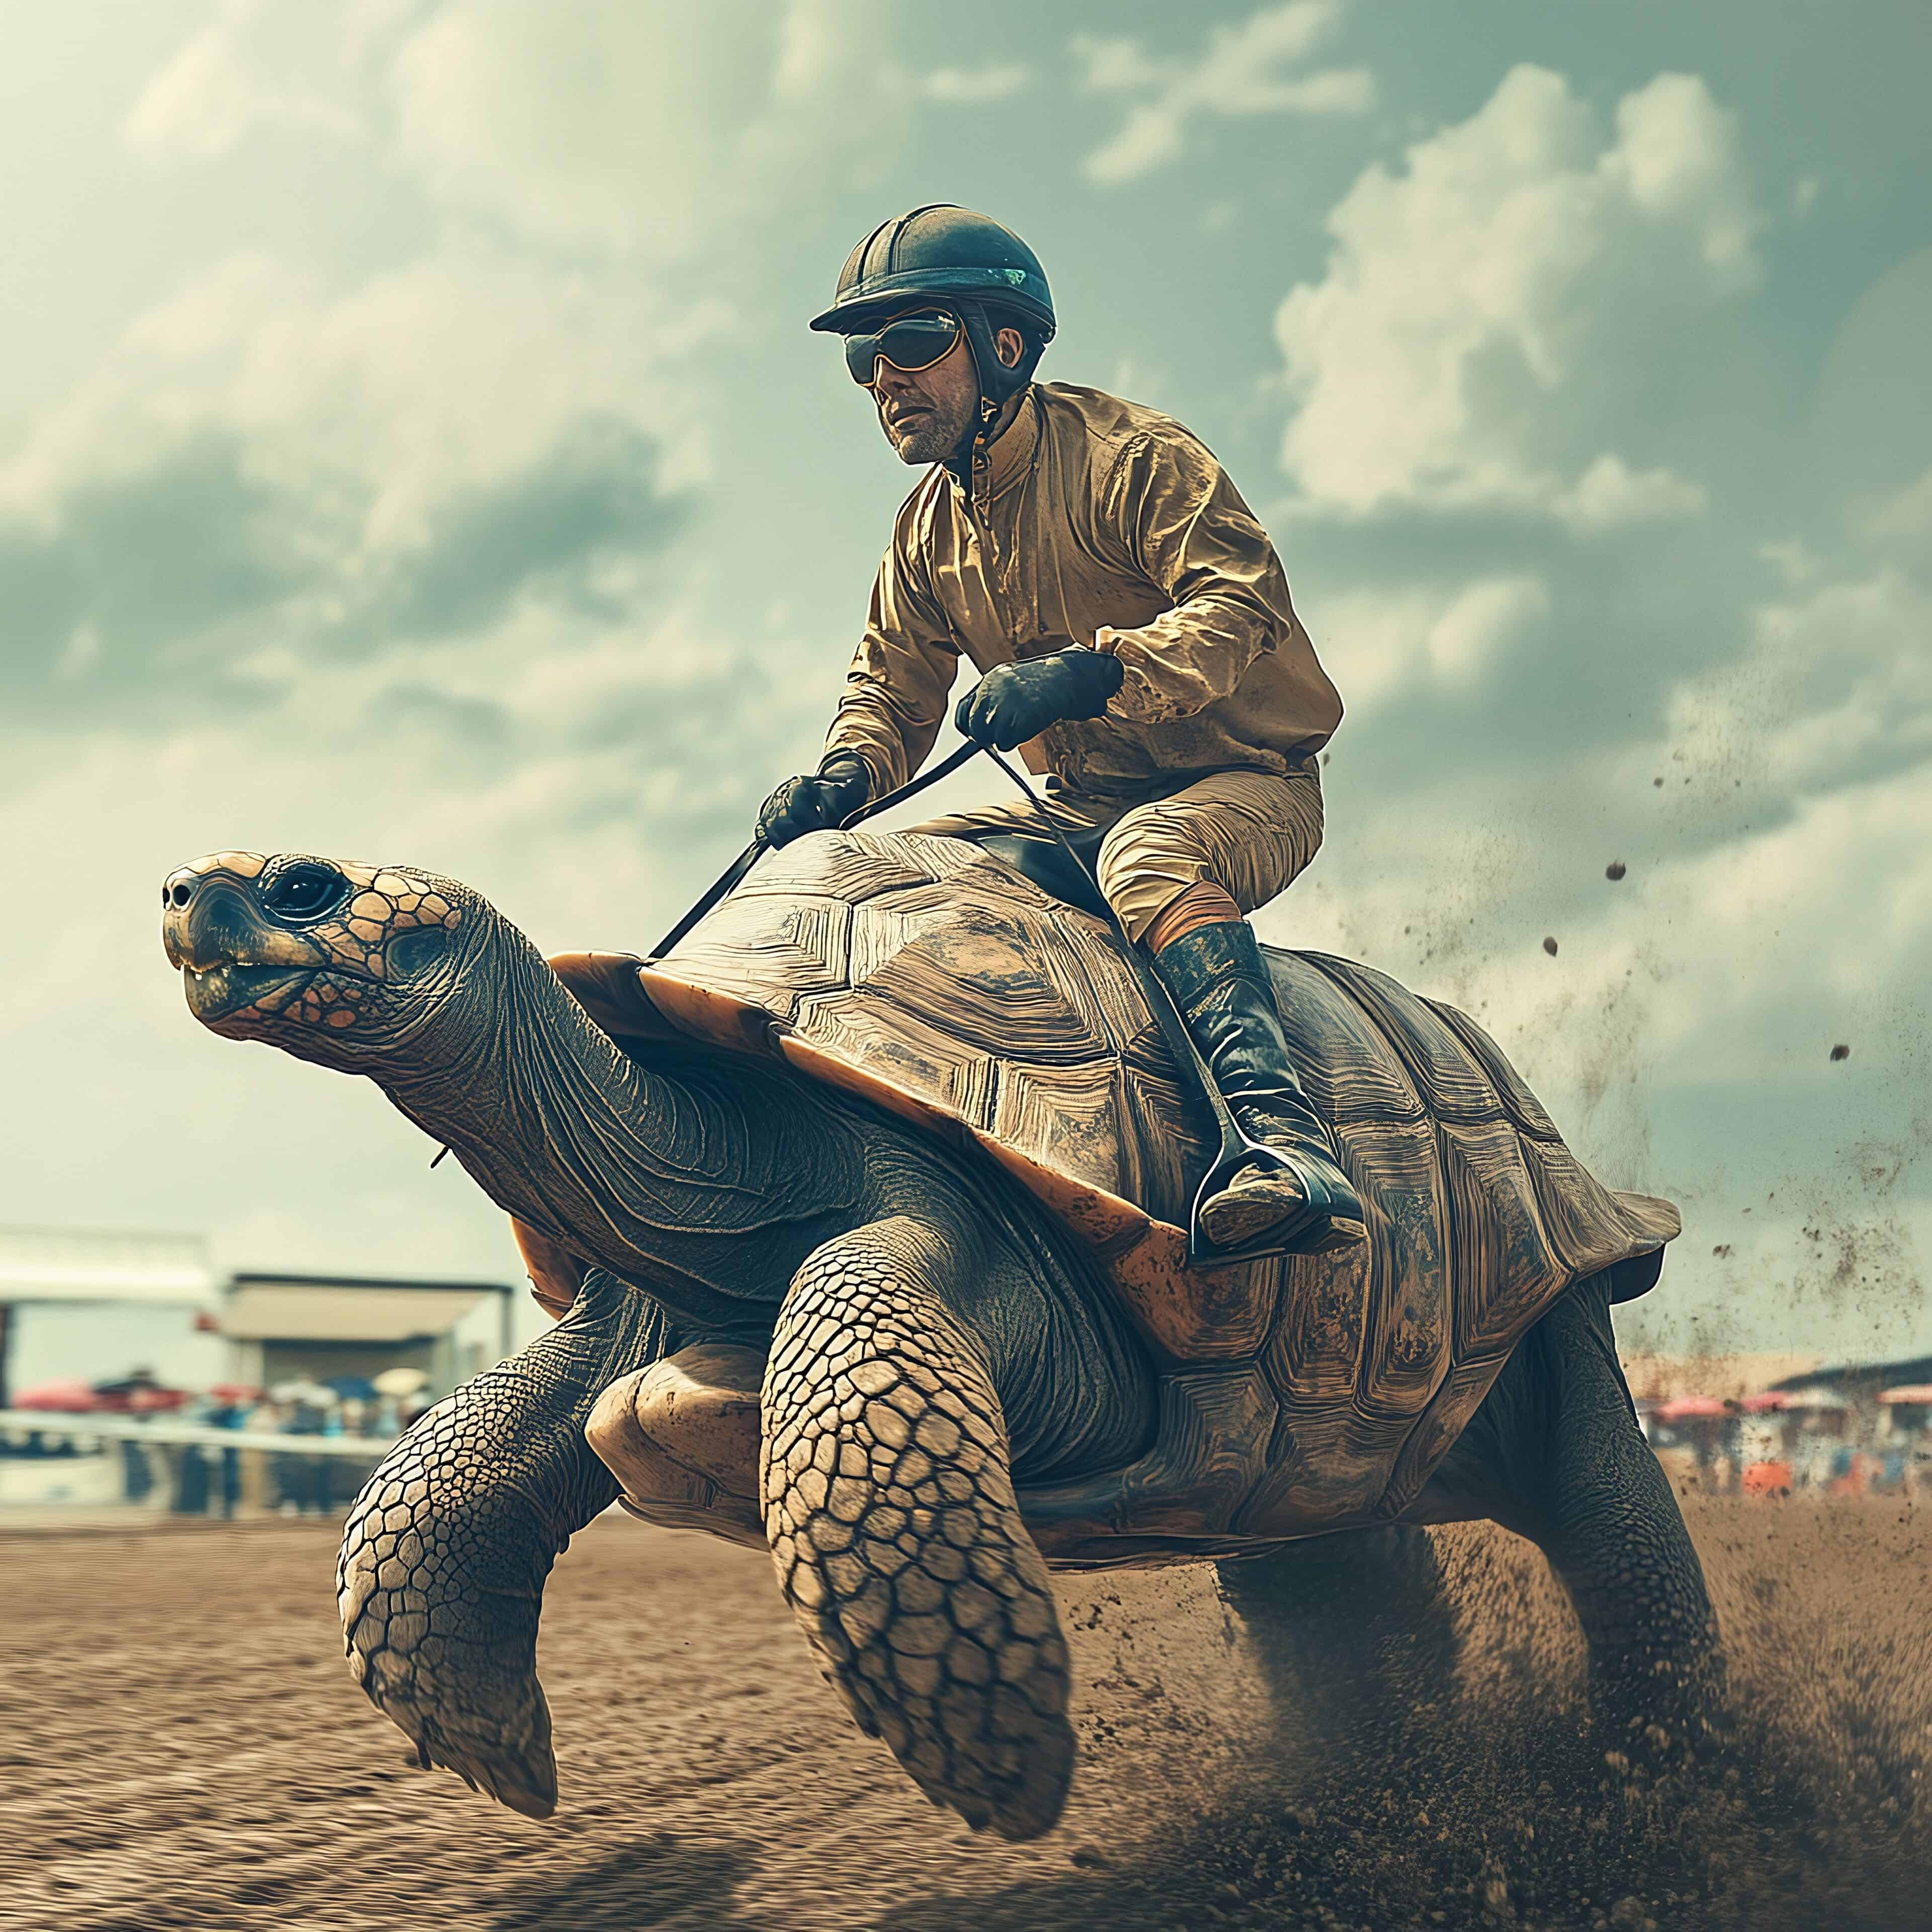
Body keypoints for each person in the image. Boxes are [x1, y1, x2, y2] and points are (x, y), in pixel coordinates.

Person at [757, 205, 1362, 1253]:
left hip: (1245, 783)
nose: (885, 379)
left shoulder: (1137, 458)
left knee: (1149, 849)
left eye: (910, 344)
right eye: (865, 355)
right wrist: (842, 778)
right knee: (892, 868)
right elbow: (893, 695)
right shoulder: (923, 534)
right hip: (1076, 806)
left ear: (1003, 346)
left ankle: (1281, 1138)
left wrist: (1095, 673)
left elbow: (1242, 608)